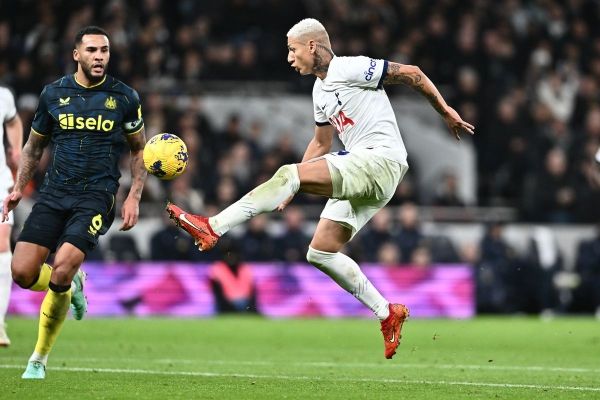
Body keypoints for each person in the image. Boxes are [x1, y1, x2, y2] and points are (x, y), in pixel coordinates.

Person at [166, 18, 474, 359]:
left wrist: (444, 110)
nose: (289, 58)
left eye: (292, 49)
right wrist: (292, 185)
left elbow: (412, 73)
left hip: (379, 159)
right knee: (320, 252)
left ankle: (212, 227)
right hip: (371, 175)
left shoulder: (350, 67)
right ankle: (387, 312)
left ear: (312, 45)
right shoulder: (318, 91)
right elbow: (321, 143)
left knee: (288, 173)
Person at [1, 26, 147, 378]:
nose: (99, 57)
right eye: (92, 50)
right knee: (22, 272)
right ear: (76, 54)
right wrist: (19, 187)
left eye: (105, 51)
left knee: (62, 267)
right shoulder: (54, 94)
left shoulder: (124, 97)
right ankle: (74, 283)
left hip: (96, 195)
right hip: (54, 192)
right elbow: (34, 147)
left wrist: (133, 196)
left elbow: (139, 149)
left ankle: (38, 358)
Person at [0, 86, 24, 347]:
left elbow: (14, 121)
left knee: (1, 244)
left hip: (0, 183)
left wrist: (16, 149)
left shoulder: (3, 96)